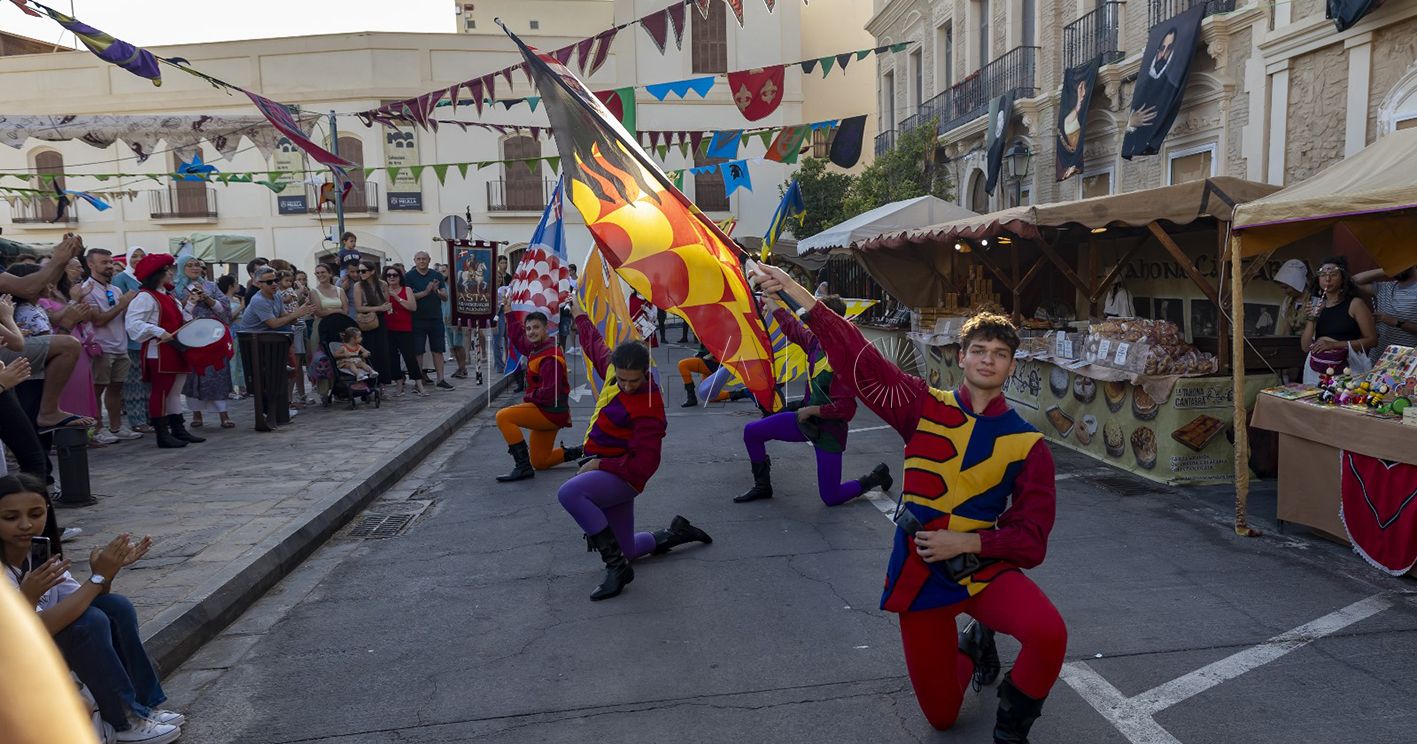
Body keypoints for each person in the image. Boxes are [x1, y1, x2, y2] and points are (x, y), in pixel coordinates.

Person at [749, 263, 1066, 741]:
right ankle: (974, 647)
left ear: (1012, 367)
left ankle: (1010, 731)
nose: (988, 360)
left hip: (981, 572)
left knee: (1049, 634)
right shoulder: (922, 405)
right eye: (979, 350)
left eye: (999, 354)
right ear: (961, 357)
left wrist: (970, 541)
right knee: (942, 717)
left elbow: (1032, 540)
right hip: (921, 576)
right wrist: (792, 290)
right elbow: (859, 359)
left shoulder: (1028, 444)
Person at [0, 472, 185, 743]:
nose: (26, 525)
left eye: (36, 514)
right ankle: (125, 719)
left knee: (114, 607)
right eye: (10, 518)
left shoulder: (40, 555)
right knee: (89, 623)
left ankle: (144, 706)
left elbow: (82, 598)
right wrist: (95, 578)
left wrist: (106, 573)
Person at [557, 301, 712, 600]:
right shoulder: (616, 371)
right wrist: (578, 313)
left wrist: (600, 465)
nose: (626, 387)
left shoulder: (650, 403)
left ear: (646, 373)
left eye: (634, 381)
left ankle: (616, 569)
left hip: (624, 476)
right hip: (608, 467)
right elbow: (593, 344)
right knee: (627, 549)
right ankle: (677, 533)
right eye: (622, 380)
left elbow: (645, 464)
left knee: (569, 493)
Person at [736, 294, 893, 506]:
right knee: (752, 432)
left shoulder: (844, 357)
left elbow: (847, 409)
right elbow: (792, 327)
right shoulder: (814, 341)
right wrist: (769, 301)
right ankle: (763, 486)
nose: (808, 318)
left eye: (814, 314)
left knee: (831, 496)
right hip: (806, 422)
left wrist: (812, 411)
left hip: (829, 432)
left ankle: (876, 476)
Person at [1, 263, 95, 434]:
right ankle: (49, 412)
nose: (51, 284)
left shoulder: (37, 307)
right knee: (68, 345)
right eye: (43, 280)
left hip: (37, 370)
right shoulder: (26, 310)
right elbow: (18, 342)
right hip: (27, 371)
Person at [496, 292, 577, 481]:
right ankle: (580, 452)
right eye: (529, 328)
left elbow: (550, 393)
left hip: (549, 411)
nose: (531, 332)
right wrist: (508, 311)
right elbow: (518, 338)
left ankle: (522, 467)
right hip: (550, 412)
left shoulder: (549, 357)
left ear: (546, 329)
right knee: (541, 461)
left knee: (503, 417)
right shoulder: (537, 348)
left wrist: (529, 397)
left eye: (536, 328)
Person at [125, 254, 199, 450]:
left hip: (174, 348)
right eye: (167, 270)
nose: (171, 273)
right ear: (157, 274)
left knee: (174, 393)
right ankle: (162, 433)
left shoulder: (168, 295)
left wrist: (190, 304)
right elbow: (133, 324)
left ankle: (178, 428)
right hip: (157, 351)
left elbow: (180, 319)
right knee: (161, 392)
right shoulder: (145, 297)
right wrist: (158, 331)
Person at [82, 248, 142, 443]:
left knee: (117, 388)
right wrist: (122, 304)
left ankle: (116, 426)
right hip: (102, 347)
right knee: (97, 389)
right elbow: (98, 320)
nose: (109, 266)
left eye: (110, 262)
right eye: (103, 262)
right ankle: (98, 427)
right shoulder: (87, 289)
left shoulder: (115, 290)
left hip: (120, 345)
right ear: (91, 264)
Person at [173, 257, 234, 429]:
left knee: (218, 373)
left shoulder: (211, 286)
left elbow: (225, 309)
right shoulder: (176, 289)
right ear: (181, 268)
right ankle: (196, 414)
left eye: (197, 265)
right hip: (190, 337)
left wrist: (208, 299)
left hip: (213, 337)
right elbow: (175, 313)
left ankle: (224, 415)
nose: (194, 268)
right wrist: (190, 300)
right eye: (189, 265)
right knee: (194, 376)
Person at [1301, 256, 1379, 385]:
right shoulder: (1317, 305)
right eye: (1323, 275)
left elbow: (1372, 340)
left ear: (1343, 278)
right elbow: (1305, 347)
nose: (1327, 279)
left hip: (1347, 369)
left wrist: (1334, 345)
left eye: (1333, 274)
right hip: (1316, 367)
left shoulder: (1355, 304)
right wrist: (1312, 318)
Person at [112, 246, 153, 434]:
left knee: (147, 380)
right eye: (134, 256)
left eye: (142, 256)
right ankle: (137, 419)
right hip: (130, 338)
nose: (138, 259)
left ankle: (149, 417)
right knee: (133, 381)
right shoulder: (121, 279)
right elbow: (117, 306)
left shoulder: (147, 279)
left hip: (148, 338)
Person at [404, 250, 453, 390]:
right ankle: (418, 381)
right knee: (418, 351)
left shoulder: (436, 275)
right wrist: (426, 292)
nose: (421, 261)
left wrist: (436, 291)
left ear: (429, 260)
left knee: (438, 350)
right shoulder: (409, 276)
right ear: (414, 260)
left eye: (424, 259)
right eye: (418, 259)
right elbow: (409, 297)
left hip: (435, 318)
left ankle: (441, 379)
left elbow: (445, 296)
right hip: (417, 318)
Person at [1354, 261, 1417, 361]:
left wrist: (1396, 322)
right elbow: (1354, 281)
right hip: (1377, 360)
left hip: (1407, 363)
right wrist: (1389, 267)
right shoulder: (1385, 287)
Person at [351, 261, 395, 394]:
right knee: (369, 351)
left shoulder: (382, 284)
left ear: (372, 271)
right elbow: (358, 307)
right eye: (359, 271)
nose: (361, 274)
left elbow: (387, 302)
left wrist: (386, 308)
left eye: (363, 271)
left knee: (382, 351)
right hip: (366, 320)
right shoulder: (358, 286)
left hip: (380, 320)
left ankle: (382, 383)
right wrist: (378, 308)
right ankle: (370, 383)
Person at [383, 266, 427, 397]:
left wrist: (396, 297)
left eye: (394, 275)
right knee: (393, 358)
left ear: (399, 277)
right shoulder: (383, 290)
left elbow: (413, 307)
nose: (391, 277)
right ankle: (399, 386)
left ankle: (419, 385)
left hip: (404, 328)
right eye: (389, 275)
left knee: (409, 357)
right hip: (388, 328)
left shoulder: (406, 290)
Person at [217, 275, 246, 398]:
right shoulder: (223, 300)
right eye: (236, 283)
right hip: (231, 332)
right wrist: (241, 307)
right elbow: (228, 317)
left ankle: (242, 387)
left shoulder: (236, 298)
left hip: (240, 331)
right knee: (232, 360)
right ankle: (231, 388)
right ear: (230, 286)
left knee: (241, 360)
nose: (238, 285)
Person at [1272, 259, 1312, 337]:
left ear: (1296, 284)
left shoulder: (1313, 300)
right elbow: (1287, 328)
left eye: (1286, 288)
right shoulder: (1288, 301)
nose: (1284, 292)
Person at [560, 263, 579, 353]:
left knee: (577, 326)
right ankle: (573, 346)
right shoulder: (568, 281)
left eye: (570, 270)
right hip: (569, 304)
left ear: (573, 271)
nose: (568, 272)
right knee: (572, 326)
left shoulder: (578, 281)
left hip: (577, 305)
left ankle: (580, 346)